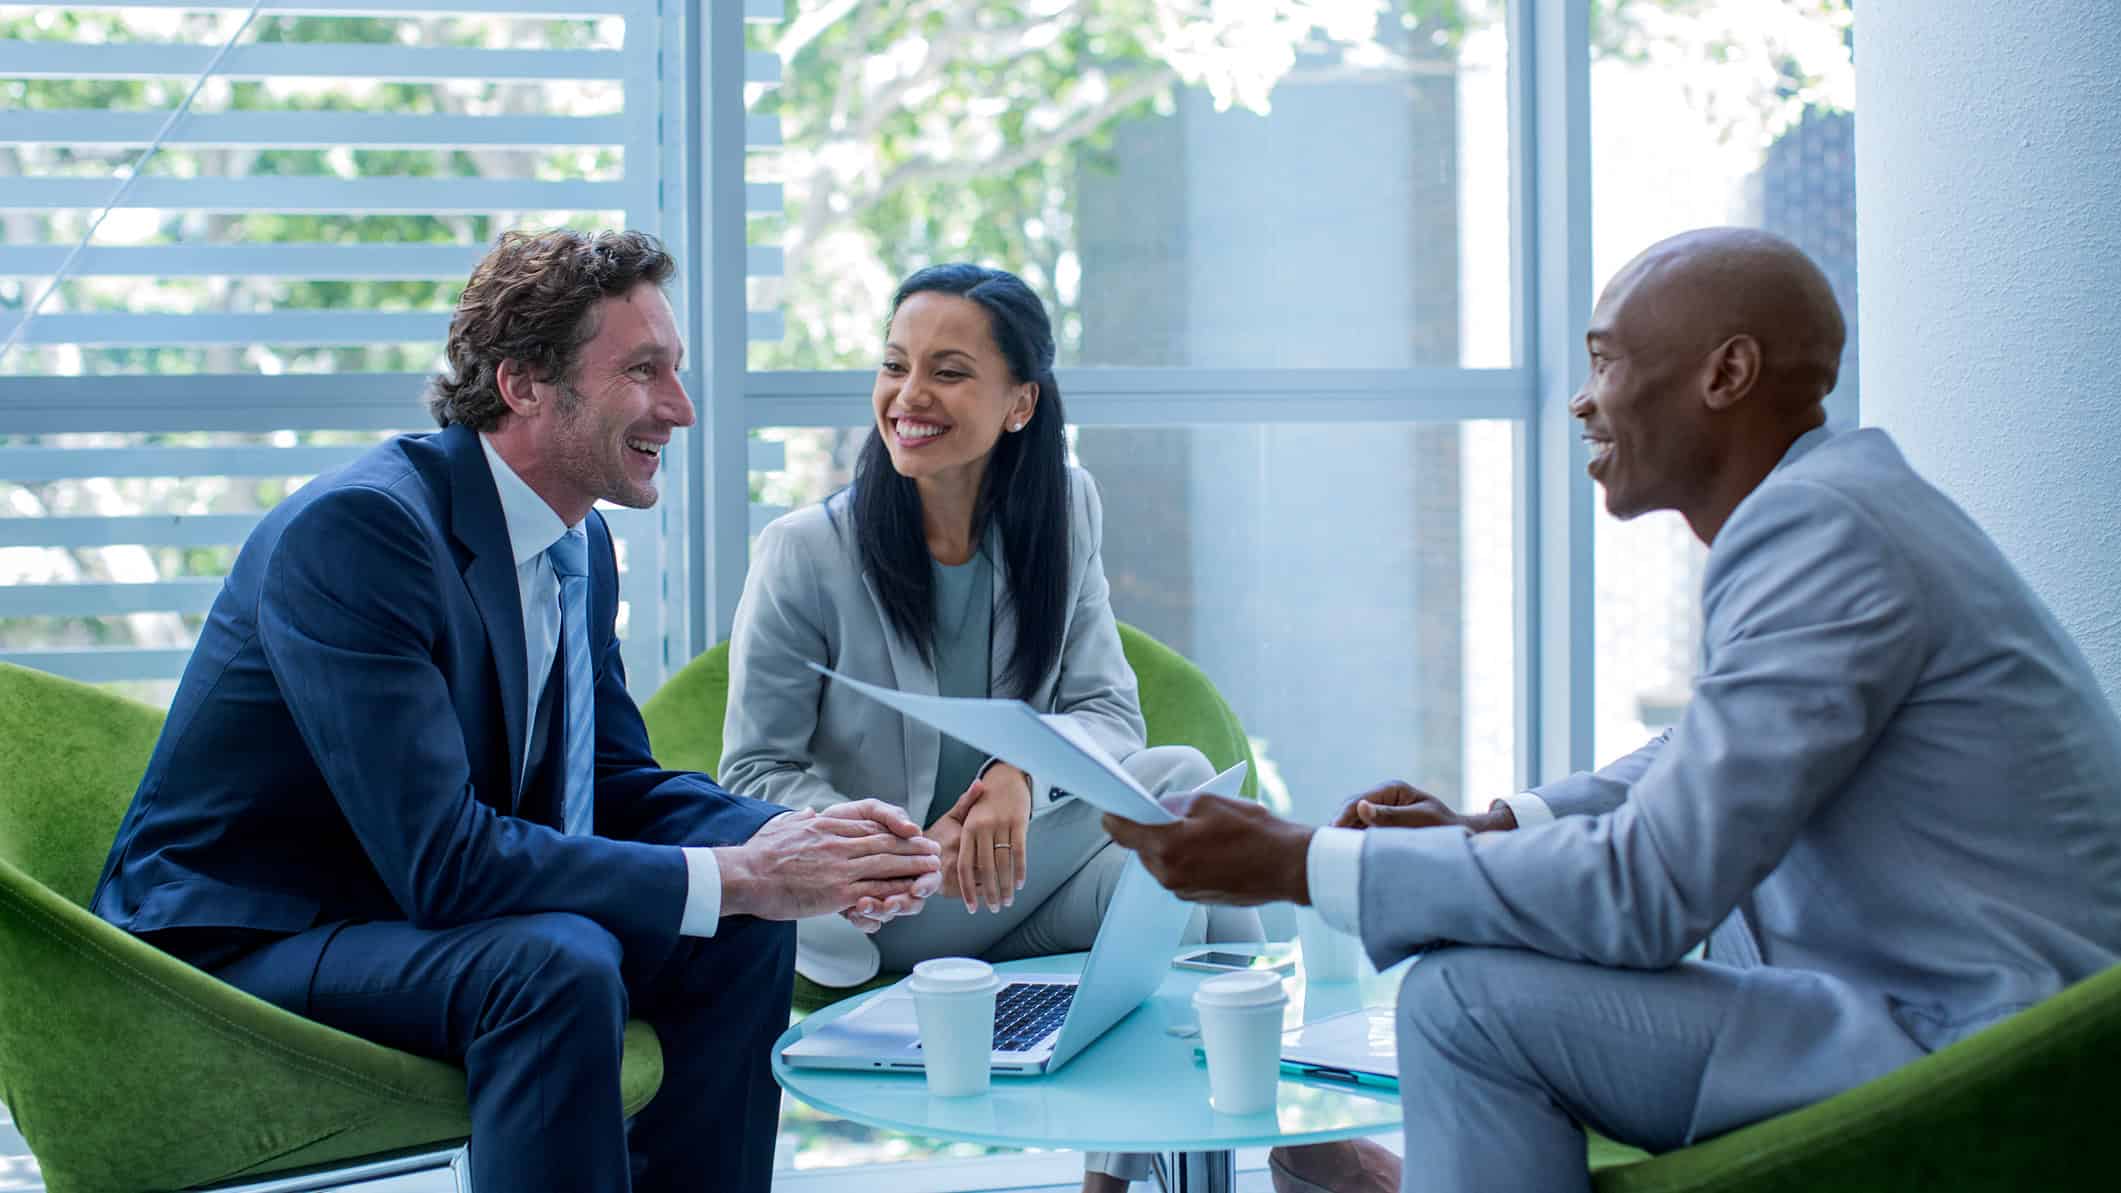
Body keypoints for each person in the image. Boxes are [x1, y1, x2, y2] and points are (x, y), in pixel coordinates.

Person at [1101, 227, 2121, 1193]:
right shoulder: (1840, 505)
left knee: (1467, 1003)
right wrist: (1502, 824)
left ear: (1725, 374)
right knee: (1484, 956)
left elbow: (1653, 887)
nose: (1584, 404)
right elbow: (1701, 752)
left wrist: (1301, 861)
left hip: (1980, 1045)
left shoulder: (1820, 533)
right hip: (1932, 999)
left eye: (1606, 362)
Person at [90, 228, 944, 1193]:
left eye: (678, 371)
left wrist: (801, 842)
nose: (683, 408)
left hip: (398, 911)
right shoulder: (362, 534)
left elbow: (613, 779)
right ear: (524, 383)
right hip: (249, 938)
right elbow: (442, 862)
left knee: (738, 931)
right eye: (643, 371)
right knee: (556, 962)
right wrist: (739, 872)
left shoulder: (576, 546)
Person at [721, 262, 1259, 1192]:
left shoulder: (1064, 508)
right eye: (896, 365)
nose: (909, 396)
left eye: (949, 370)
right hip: (892, 907)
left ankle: (1116, 1181)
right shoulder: (805, 551)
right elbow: (752, 772)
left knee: (1179, 880)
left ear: (1019, 403)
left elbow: (1104, 710)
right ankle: (1302, 1155)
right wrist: (885, 840)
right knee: (1178, 779)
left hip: (1019, 891)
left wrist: (1019, 771)